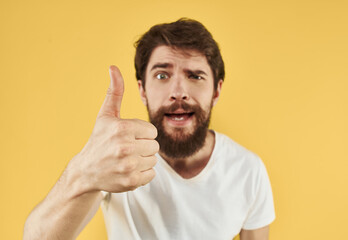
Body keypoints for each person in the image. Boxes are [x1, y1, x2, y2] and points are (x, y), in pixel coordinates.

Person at [23, 18, 275, 240]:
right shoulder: (115, 159)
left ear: (216, 90)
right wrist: (84, 171)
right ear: (142, 90)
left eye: (195, 76)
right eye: (162, 76)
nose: (178, 93)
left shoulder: (248, 170)